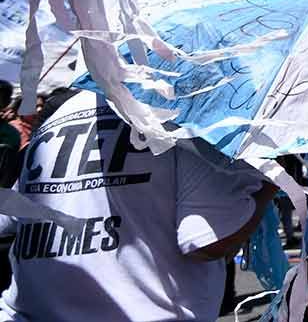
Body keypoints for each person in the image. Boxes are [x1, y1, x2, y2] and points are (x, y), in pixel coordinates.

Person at [0, 89, 276, 320]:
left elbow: (11, 216)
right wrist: (270, 183)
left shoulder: (69, 107)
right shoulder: (193, 108)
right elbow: (207, 241)